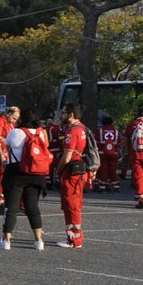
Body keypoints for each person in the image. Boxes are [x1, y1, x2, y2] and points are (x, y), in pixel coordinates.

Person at [0, 106, 50, 250]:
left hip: (16, 173)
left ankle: (6, 240)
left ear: (21, 119)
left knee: (11, 207)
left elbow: (6, 144)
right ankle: (39, 241)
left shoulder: (15, 132)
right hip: (36, 174)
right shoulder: (42, 133)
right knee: (32, 207)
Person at [55, 103, 91, 248]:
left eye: (63, 113)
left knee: (71, 204)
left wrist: (58, 169)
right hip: (79, 171)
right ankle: (72, 236)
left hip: (72, 172)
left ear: (71, 115)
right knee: (73, 204)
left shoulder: (73, 131)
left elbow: (67, 155)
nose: (61, 115)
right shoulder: (83, 128)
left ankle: (75, 239)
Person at [95, 115, 122, 192]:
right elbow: (120, 142)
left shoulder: (100, 131)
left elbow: (96, 142)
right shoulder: (116, 132)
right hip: (114, 154)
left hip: (102, 154)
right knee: (113, 171)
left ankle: (102, 187)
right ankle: (116, 187)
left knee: (103, 170)